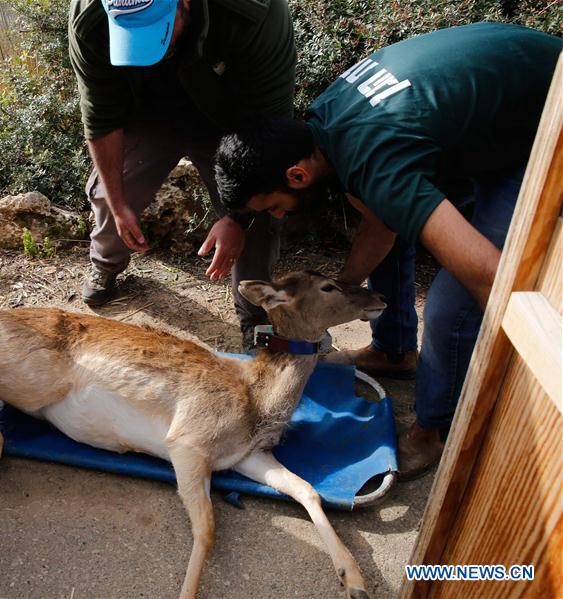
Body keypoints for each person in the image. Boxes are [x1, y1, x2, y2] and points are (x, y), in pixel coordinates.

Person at [213, 23, 562, 478]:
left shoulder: (376, 163)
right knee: (398, 220)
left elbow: (490, 276)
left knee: (452, 308)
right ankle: (395, 351)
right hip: (508, 109)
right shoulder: (326, 118)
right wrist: (342, 290)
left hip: (545, 123)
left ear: (297, 176)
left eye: (274, 207)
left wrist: (517, 363)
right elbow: (381, 225)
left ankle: (434, 430)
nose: (278, 218)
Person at [68, 0, 296, 350]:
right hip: (148, 112)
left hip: (232, 121)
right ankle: (106, 264)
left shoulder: (255, 13)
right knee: (112, 193)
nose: (151, 50)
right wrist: (117, 204)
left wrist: (237, 216)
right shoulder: (89, 18)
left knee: (261, 205)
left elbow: (269, 128)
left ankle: (255, 313)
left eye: (155, 29)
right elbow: (101, 118)